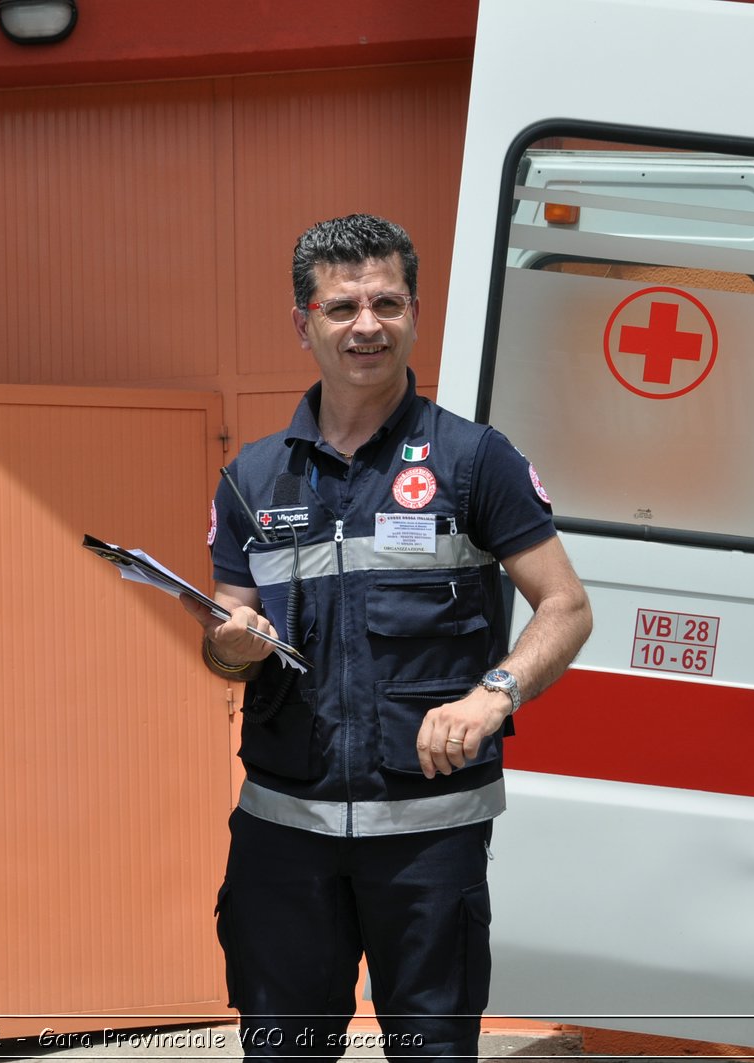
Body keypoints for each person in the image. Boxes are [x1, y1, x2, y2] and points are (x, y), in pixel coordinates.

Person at [185, 214, 591, 1060]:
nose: (366, 324)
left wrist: (493, 695)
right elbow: (225, 642)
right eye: (342, 307)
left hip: (430, 835)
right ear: (305, 324)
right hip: (284, 831)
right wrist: (237, 642)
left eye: (386, 302)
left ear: (414, 312)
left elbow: (566, 606)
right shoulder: (251, 477)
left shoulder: (476, 460)